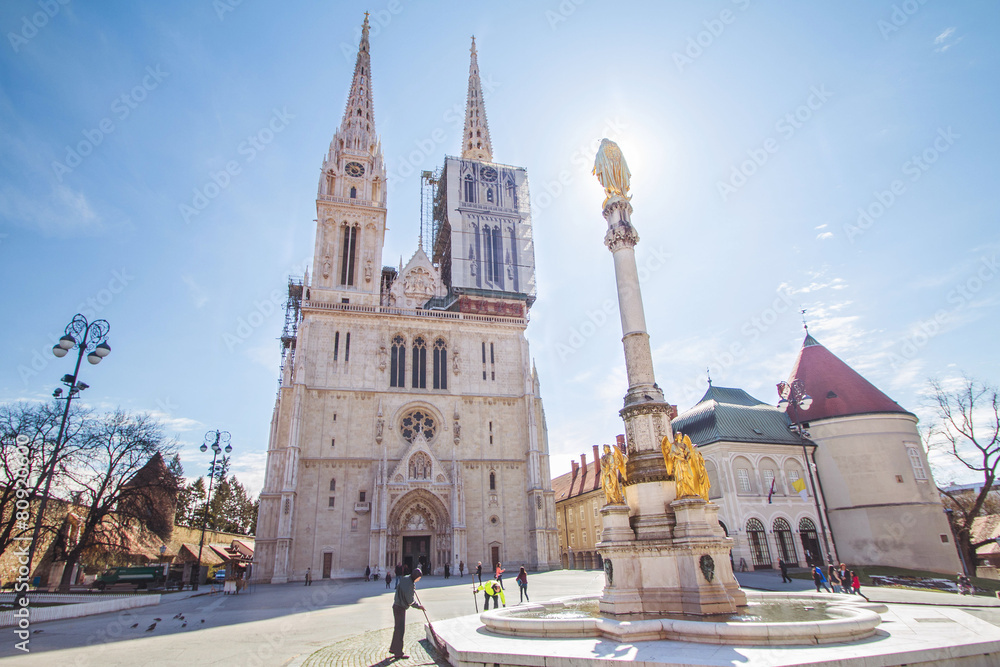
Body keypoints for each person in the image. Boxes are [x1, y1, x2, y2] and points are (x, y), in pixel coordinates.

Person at [388, 567, 423, 660]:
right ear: (416, 577)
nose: (419, 580)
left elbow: (403, 588)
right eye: (419, 578)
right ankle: (398, 653)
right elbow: (410, 601)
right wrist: (419, 607)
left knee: (397, 628)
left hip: (396, 605)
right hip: (400, 608)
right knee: (400, 630)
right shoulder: (410, 584)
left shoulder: (406, 578)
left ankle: (393, 648)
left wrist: (412, 586)